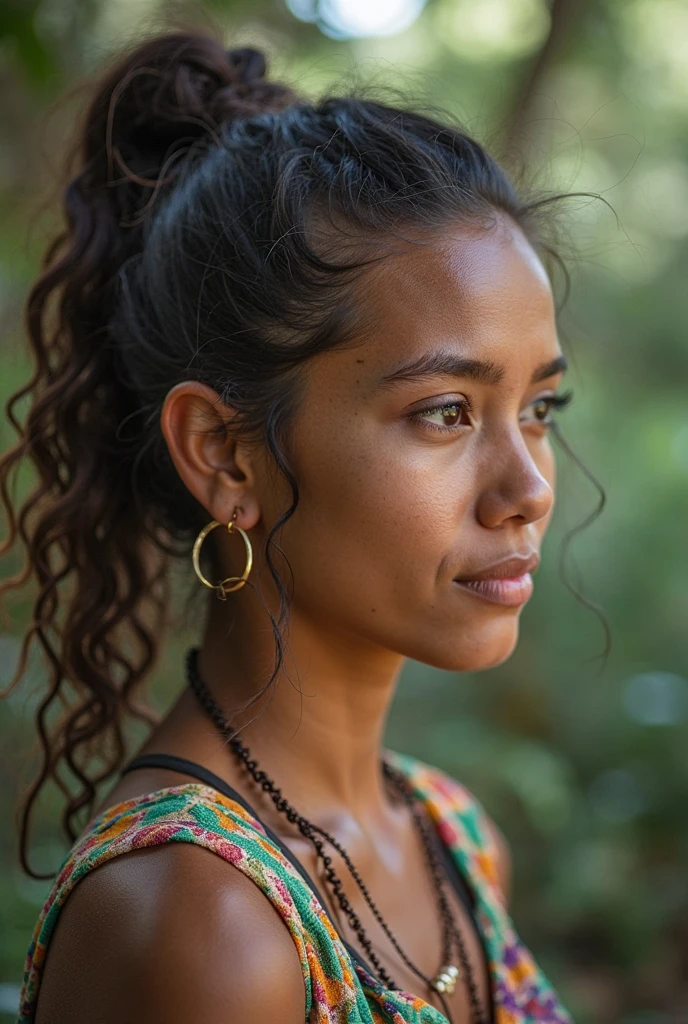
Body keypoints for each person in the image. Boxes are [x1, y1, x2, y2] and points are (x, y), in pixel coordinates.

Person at [1, 28, 581, 1024]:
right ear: (225, 453)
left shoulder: (452, 835)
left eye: (539, 408)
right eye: (445, 410)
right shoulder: (203, 922)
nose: (526, 485)